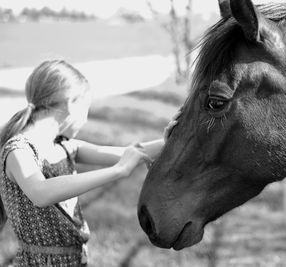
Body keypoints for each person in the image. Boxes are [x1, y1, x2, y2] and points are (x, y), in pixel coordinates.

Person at [0, 59, 167, 266]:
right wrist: (119, 170)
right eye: (86, 107)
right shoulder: (19, 150)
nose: (86, 118)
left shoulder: (63, 146)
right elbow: (40, 192)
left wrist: (173, 138)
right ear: (70, 103)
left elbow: (129, 152)